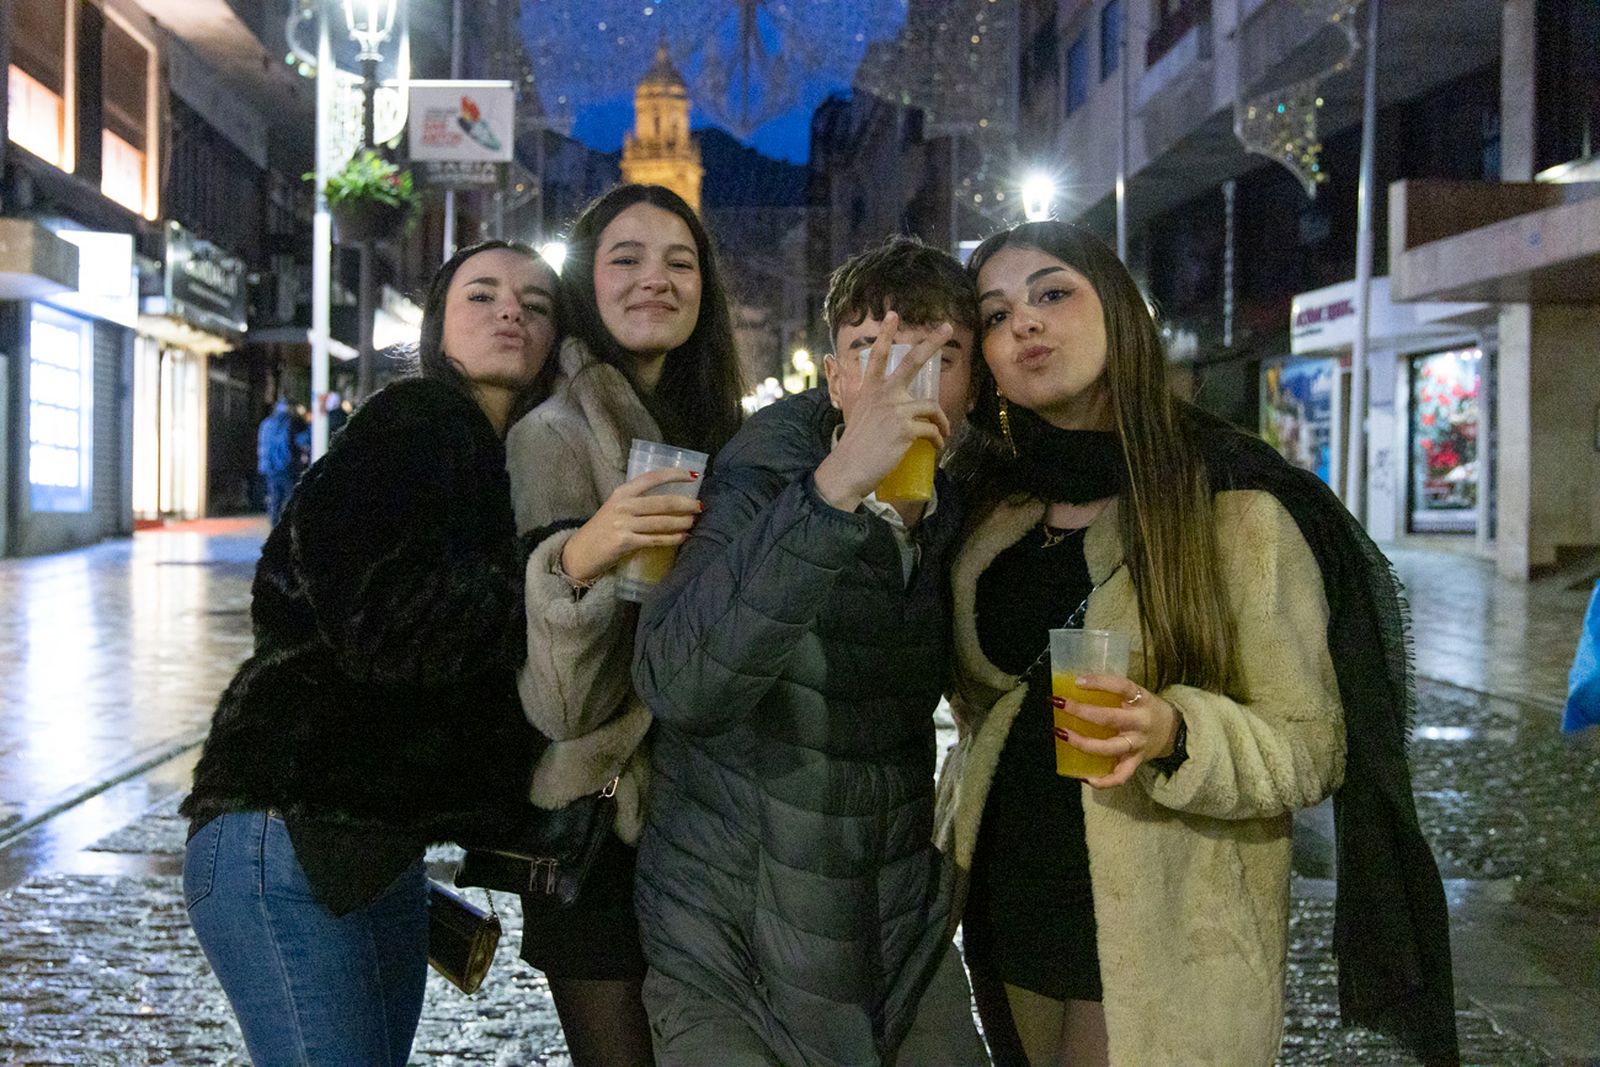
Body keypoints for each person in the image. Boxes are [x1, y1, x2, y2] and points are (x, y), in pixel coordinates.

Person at [934, 220, 1459, 1067]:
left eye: (1052, 293)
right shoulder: (988, 505)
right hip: (1008, 902)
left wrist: (1177, 732)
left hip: (1165, 930)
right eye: (994, 315)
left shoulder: (1234, 501)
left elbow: (1312, 745)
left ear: (1119, 311)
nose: (1023, 323)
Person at [181, 240, 563, 1067]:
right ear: (437, 329)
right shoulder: (417, 424)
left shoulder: (486, 455)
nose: (511, 311)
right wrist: (559, 565)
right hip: (285, 842)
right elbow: (381, 621)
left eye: (536, 305)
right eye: (483, 295)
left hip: (368, 856)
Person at [630, 235, 989, 1066]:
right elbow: (678, 681)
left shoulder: (961, 507)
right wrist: (834, 489)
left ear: (973, 385)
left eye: (935, 356)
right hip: (730, 947)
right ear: (833, 379)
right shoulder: (758, 477)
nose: (898, 380)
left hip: (891, 935)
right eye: (869, 350)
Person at [502, 183, 745, 1067]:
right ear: (587, 284)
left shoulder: (721, 429)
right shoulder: (552, 436)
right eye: (627, 259)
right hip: (605, 833)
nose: (657, 279)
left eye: (681, 262)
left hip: (713, 829)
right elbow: (566, 699)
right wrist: (589, 564)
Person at [256, 397, 304, 524]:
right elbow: (297, 441)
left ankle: (274, 526)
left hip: (269, 467)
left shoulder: (265, 424)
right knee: (290, 497)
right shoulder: (288, 424)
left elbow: (263, 446)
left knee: (274, 498)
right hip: (284, 466)